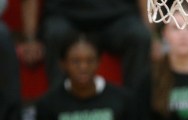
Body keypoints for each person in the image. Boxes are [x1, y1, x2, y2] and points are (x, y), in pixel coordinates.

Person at [19, 0, 153, 91]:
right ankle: (59, 111)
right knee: (55, 34)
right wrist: (30, 39)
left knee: (139, 36)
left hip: (117, 17)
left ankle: (136, 112)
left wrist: (153, 36)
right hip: (65, 16)